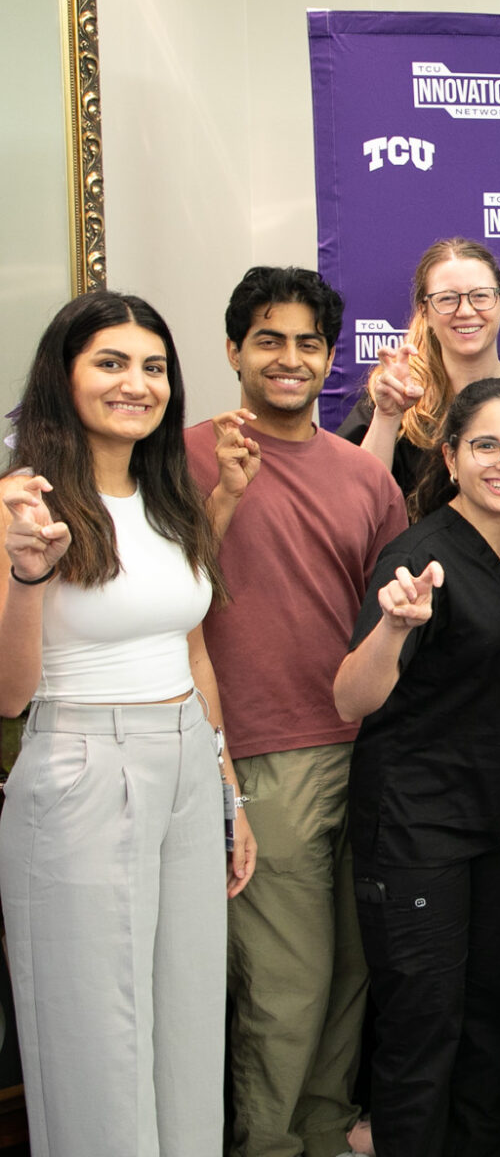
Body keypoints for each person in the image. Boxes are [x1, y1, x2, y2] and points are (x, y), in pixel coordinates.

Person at [0, 290, 251, 1156]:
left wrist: (227, 788)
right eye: (110, 363)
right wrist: (27, 575)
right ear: (63, 376)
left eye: (153, 367)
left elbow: (193, 653)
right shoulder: (20, 504)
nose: (136, 384)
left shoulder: (171, 496)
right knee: (96, 1042)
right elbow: (8, 695)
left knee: (188, 1025)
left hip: (187, 764)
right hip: (80, 764)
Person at [188, 266, 406, 1157]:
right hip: (261, 756)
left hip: (367, 752)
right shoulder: (186, 454)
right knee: (288, 985)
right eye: (268, 340)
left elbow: (392, 621)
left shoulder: (366, 478)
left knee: (353, 975)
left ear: (330, 357)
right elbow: (161, 592)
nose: (288, 359)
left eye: (308, 343)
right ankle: (269, 1145)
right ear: (233, 350)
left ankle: (320, 1135)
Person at [332, 378, 500, 1157]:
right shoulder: (419, 555)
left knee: (493, 1023)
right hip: (419, 829)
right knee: (424, 1030)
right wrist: (394, 628)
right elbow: (351, 697)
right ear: (451, 456)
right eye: (486, 445)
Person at [338, 237, 500, 496]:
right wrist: (388, 417)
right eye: (447, 299)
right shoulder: (394, 396)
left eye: (480, 296)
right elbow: (356, 498)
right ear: (424, 312)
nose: (465, 311)